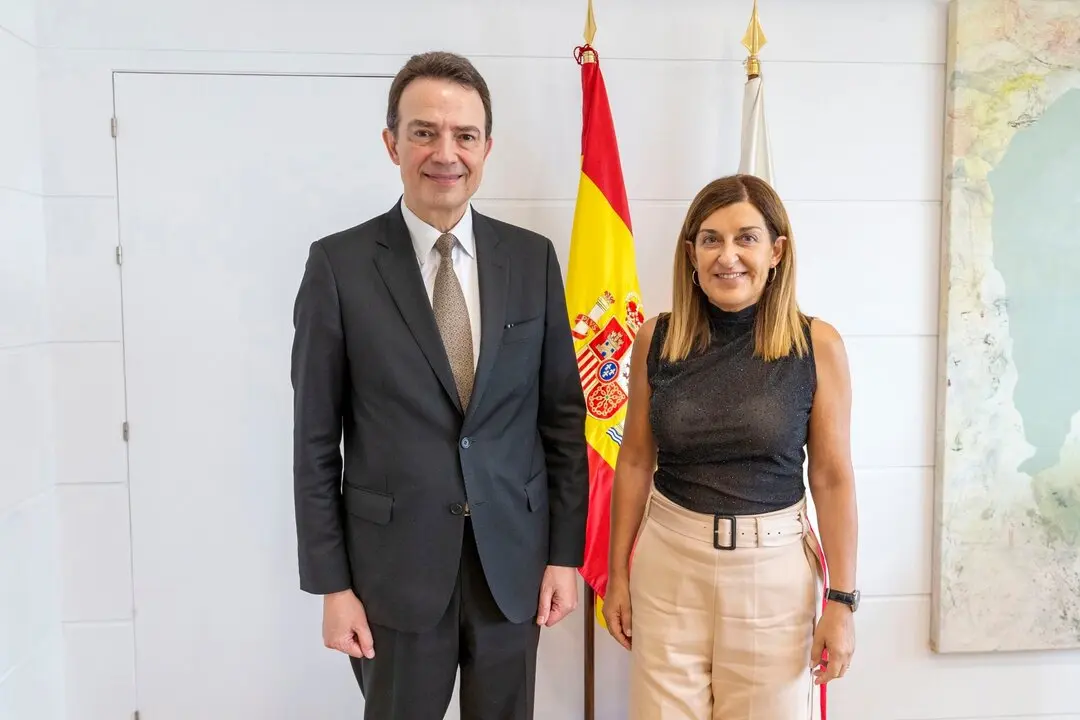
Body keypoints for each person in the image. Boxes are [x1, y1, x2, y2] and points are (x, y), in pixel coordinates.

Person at [290, 51, 589, 720]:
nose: (445, 153)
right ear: (392, 142)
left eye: (464, 135)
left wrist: (563, 556)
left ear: (487, 146)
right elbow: (314, 442)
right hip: (390, 577)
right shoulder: (338, 267)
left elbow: (561, 420)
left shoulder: (531, 259)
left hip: (511, 566)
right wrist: (332, 586)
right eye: (424, 132)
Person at [602, 174, 858, 719]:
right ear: (691, 253)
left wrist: (842, 601)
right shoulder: (657, 339)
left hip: (774, 578)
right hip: (668, 569)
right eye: (711, 239)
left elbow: (833, 479)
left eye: (746, 237)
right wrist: (618, 575)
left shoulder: (818, 345)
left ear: (776, 251)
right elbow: (634, 462)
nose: (728, 256)